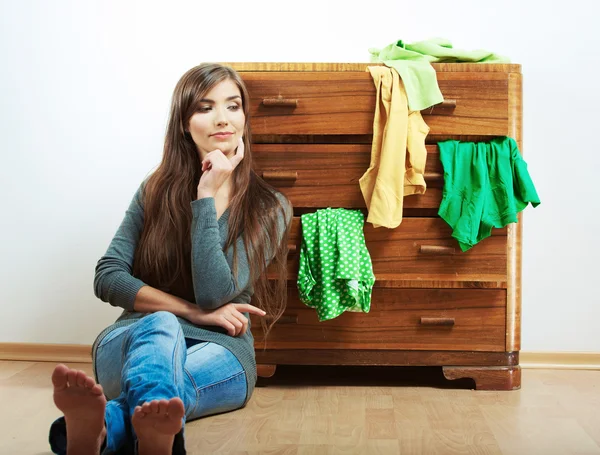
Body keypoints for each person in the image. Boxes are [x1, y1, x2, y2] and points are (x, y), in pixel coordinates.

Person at [48, 63, 292, 455]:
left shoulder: (270, 206)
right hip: (134, 339)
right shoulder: (154, 189)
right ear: (183, 122)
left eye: (233, 106)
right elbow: (108, 276)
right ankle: (162, 443)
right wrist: (188, 313)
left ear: (245, 116)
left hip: (222, 350)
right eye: (205, 107)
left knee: (165, 393)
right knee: (161, 326)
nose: (222, 119)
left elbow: (216, 293)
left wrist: (206, 197)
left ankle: (103, 430)